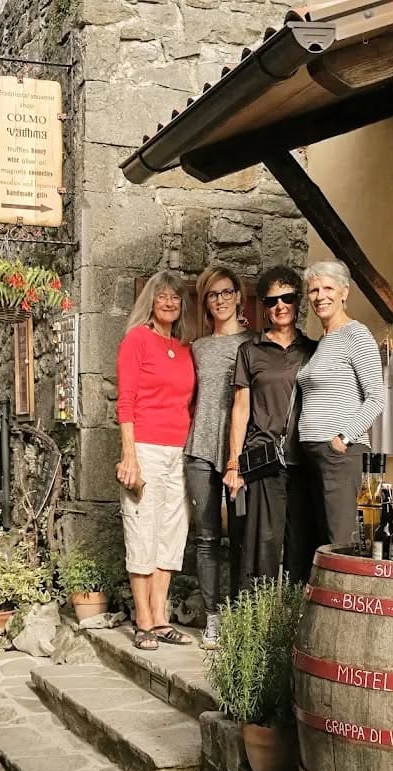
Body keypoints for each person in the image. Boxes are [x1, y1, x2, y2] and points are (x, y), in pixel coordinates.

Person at [116, 271, 196, 651]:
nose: (168, 303)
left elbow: (188, 403)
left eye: (175, 298)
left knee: (171, 532)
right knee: (142, 528)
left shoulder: (184, 347)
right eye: (162, 297)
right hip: (145, 448)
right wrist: (129, 454)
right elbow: (126, 402)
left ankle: (161, 616)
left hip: (178, 450)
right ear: (150, 301)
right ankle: (143, 619)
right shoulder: (137, 340)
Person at [223, 266, 318, 586]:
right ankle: (259, 622)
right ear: (263, 306)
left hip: (305, 459)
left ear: (298, 301)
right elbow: (240, 409)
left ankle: (294, 619)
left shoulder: (313, 350)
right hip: (264, 459)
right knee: (262, 546)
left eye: (287, 297)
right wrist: (234, 463)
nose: (280, 306)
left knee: (301, 546)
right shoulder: (250, 351)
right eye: (271, 300)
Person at [184, 264, 254, 650]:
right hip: (199, 448)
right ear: (205, 302)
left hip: (240, 453)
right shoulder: (197, 347)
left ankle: (242, 613)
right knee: (207, 537)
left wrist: (240, 455)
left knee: (243, 535)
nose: (221, 300)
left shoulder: (254, 343)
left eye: (227, 292)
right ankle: (213, 618)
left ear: (239, 296)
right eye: (213, 294)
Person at [297, 259, 385, 547]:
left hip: (339, 455)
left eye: (328, 288)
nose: (320, 296)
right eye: (313, 290)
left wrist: (343, 439)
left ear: (344, 292)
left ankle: (348, 594)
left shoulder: (355, 335)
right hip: (314, 454)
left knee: (341, 539)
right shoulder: (325, 340)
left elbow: (377, 396)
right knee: (321, 540)